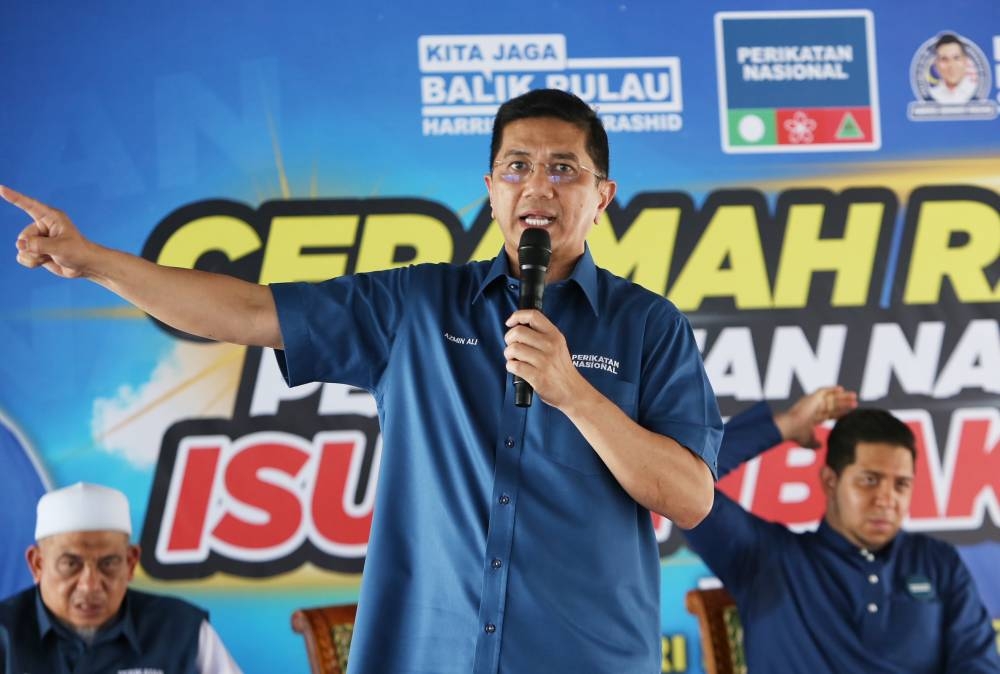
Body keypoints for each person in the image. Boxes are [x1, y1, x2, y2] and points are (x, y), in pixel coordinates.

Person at [2, 88, 723, 673]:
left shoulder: (647, 325)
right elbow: (250, 310)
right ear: (491, 190)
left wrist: (571, 391)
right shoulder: (417, 304)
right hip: (425, 657)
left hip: (585, 659)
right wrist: (94, 261)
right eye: (517, 167)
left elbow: (690, 498)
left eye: (564, 169)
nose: (538, 185)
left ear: (603, 196)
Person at [686, 388, 1000, 673]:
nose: (887, 499)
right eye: (870, 480)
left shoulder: (936, 562)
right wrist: (785, 425)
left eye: (901, 484)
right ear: (830, 482)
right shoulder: (764, 556)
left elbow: (979, 663)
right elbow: (682, 480)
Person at [0, 482, 242, 674]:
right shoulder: (4, 632)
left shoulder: (180, 629)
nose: (90, 584)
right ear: (37, 564)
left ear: (131, 562)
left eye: (108, 563)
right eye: (70, 564)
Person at [928, 33, 976, 104]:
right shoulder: (932, 95)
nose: (951, 65)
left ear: (965, 61)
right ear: (936, 64)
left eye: (956, 58)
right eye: (944, 59)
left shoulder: (974, 92)